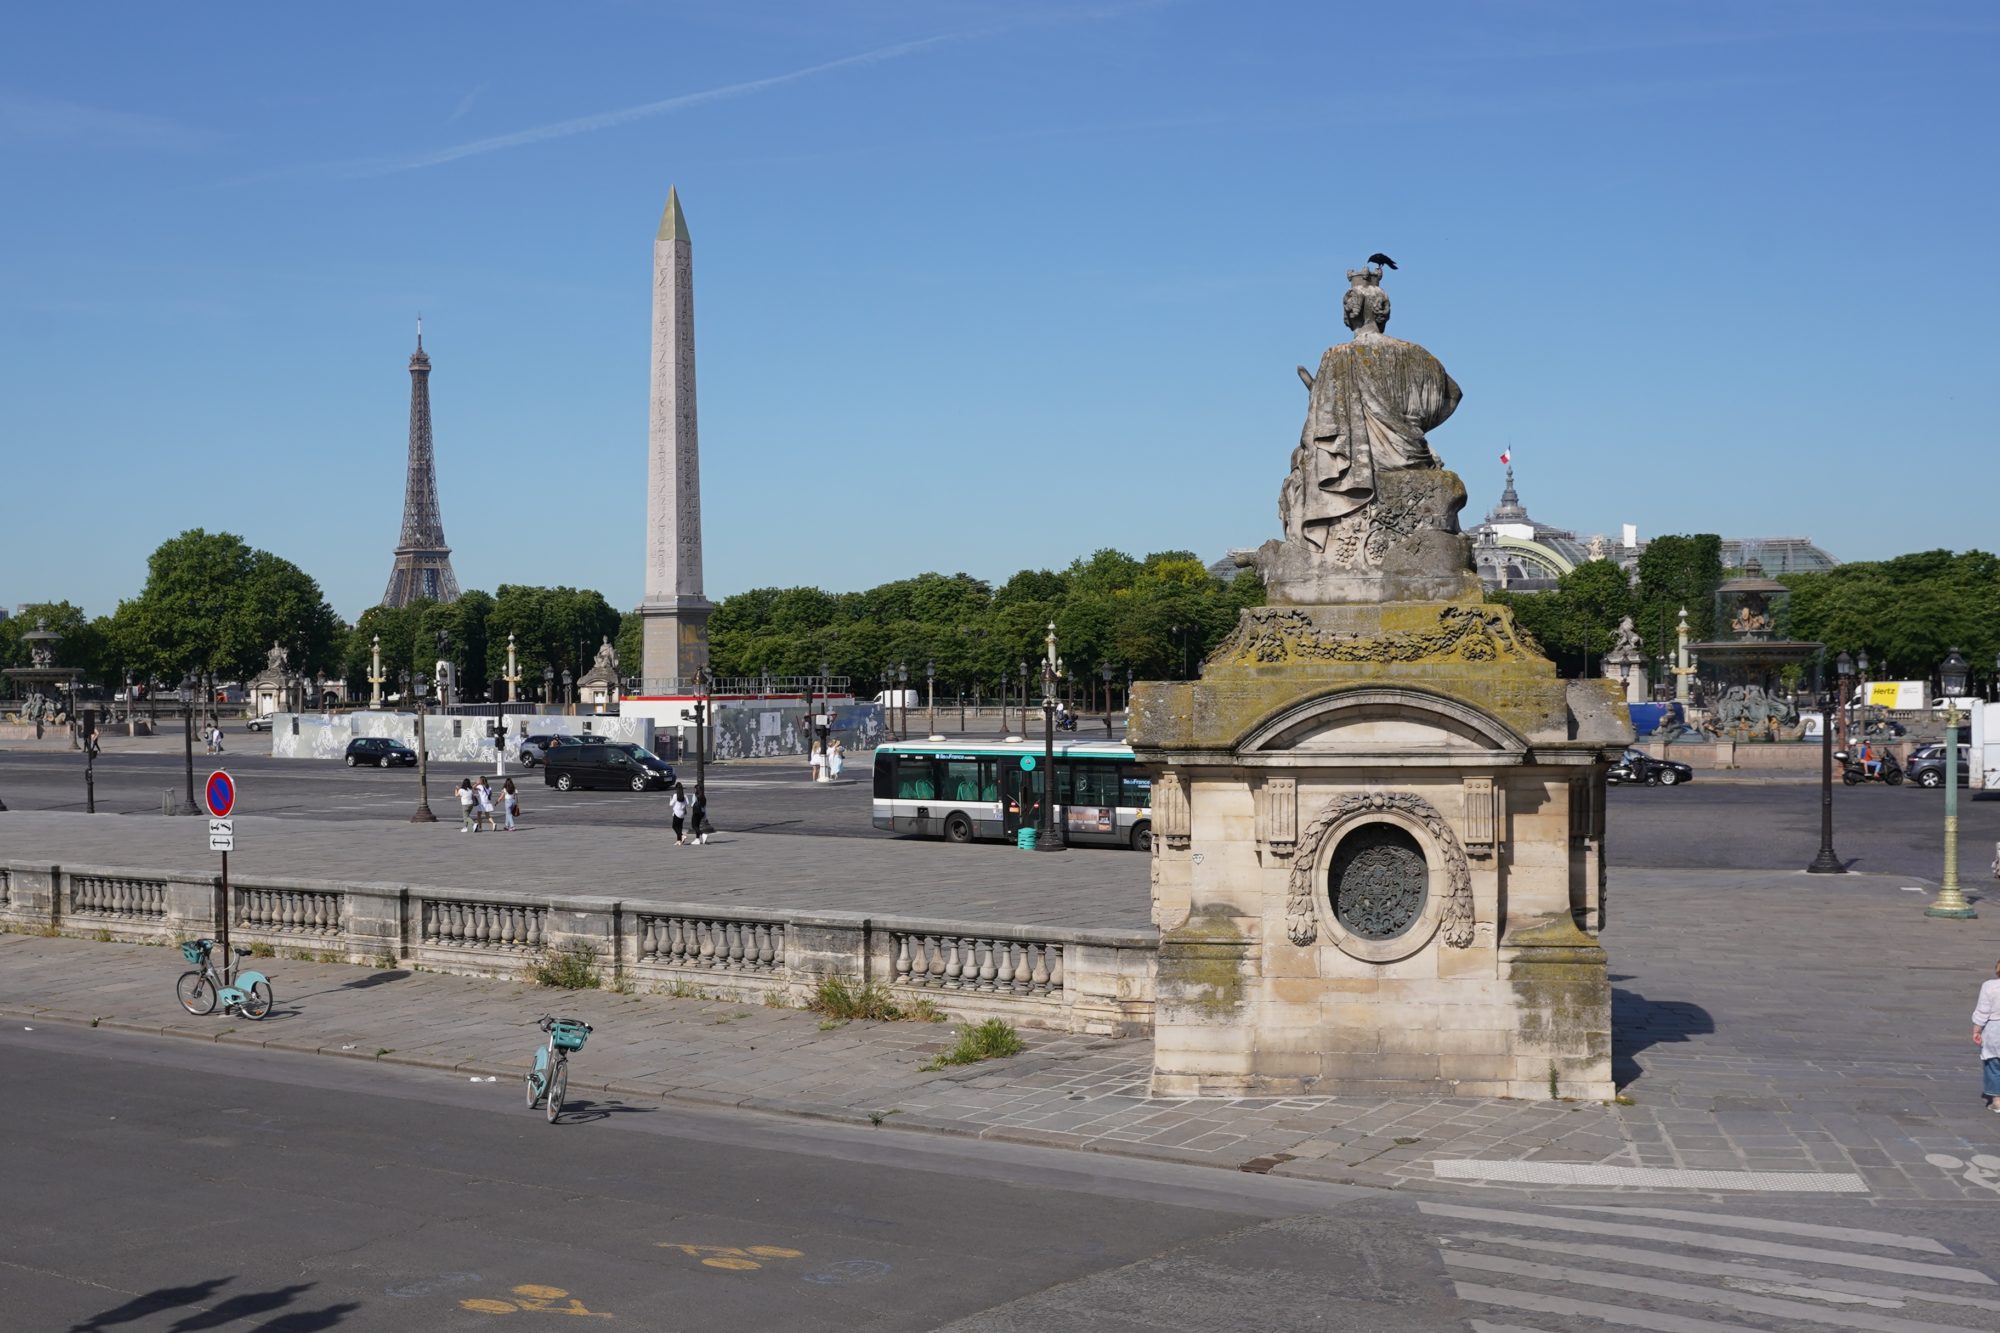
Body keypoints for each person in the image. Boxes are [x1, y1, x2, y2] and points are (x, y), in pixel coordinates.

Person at [1975, 960, 2000, 1112]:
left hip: (1995, 1030)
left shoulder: (1990, 986)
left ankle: (1997, 1100)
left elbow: (1982, 1011)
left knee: (1994, 1065)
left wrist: (1976, 1030)